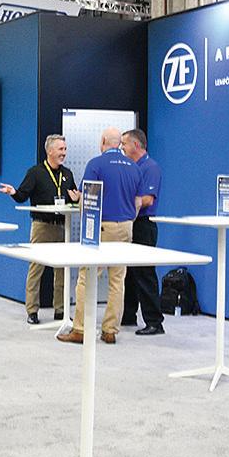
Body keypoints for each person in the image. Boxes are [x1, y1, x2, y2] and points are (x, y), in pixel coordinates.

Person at [61, 127, 140, 345]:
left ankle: (80, 329)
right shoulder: (134, 167)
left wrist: (82, 213)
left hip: (102, 228)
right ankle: (110, 330)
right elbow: (137, 201)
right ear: (119, 143)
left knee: (86, 277)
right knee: (117, 280)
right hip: (126, 227)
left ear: (103, 141)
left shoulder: (96, 164)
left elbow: (87, 198)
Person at [0, 134, 80, 324]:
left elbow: (72, 197)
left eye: (65, 149)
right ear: (49, 151)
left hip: (62, 227)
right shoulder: (35, 172)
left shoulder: (67, 174)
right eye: (60, 149)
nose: (64, 153)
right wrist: (12, 192)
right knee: (36, 269)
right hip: (42, 227)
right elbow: (22, 196)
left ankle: (60, 310)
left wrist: (76, 199)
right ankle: (32, 311)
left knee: (62, 270)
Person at [120, 128, 165, 336]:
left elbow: (148, 199)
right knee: (129, 273)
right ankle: (128, 314)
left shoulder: (150, 167)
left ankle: (154, 321)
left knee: (145, 273)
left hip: (144, 225)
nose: (122, 148)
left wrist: (124, 201)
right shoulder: (131, 167)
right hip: (131, 223)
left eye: (124, 144)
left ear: (136, 145)